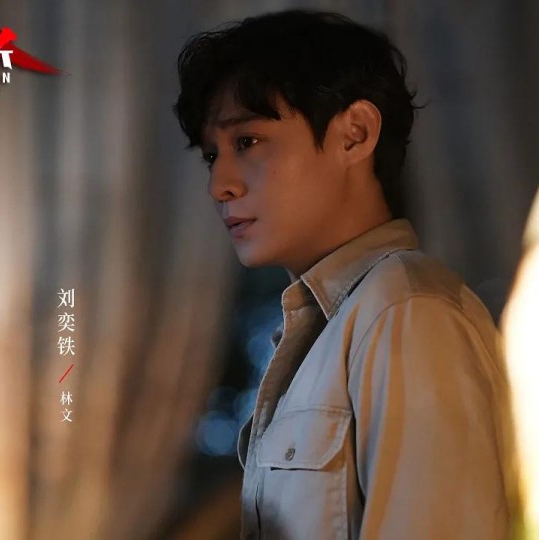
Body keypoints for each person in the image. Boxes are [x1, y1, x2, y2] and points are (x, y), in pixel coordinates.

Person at [172, 9, 514, 540]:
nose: (220, 184)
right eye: (212, 155)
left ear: (355, 134)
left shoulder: (407, 314)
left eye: (248, 142)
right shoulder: (337, 324)